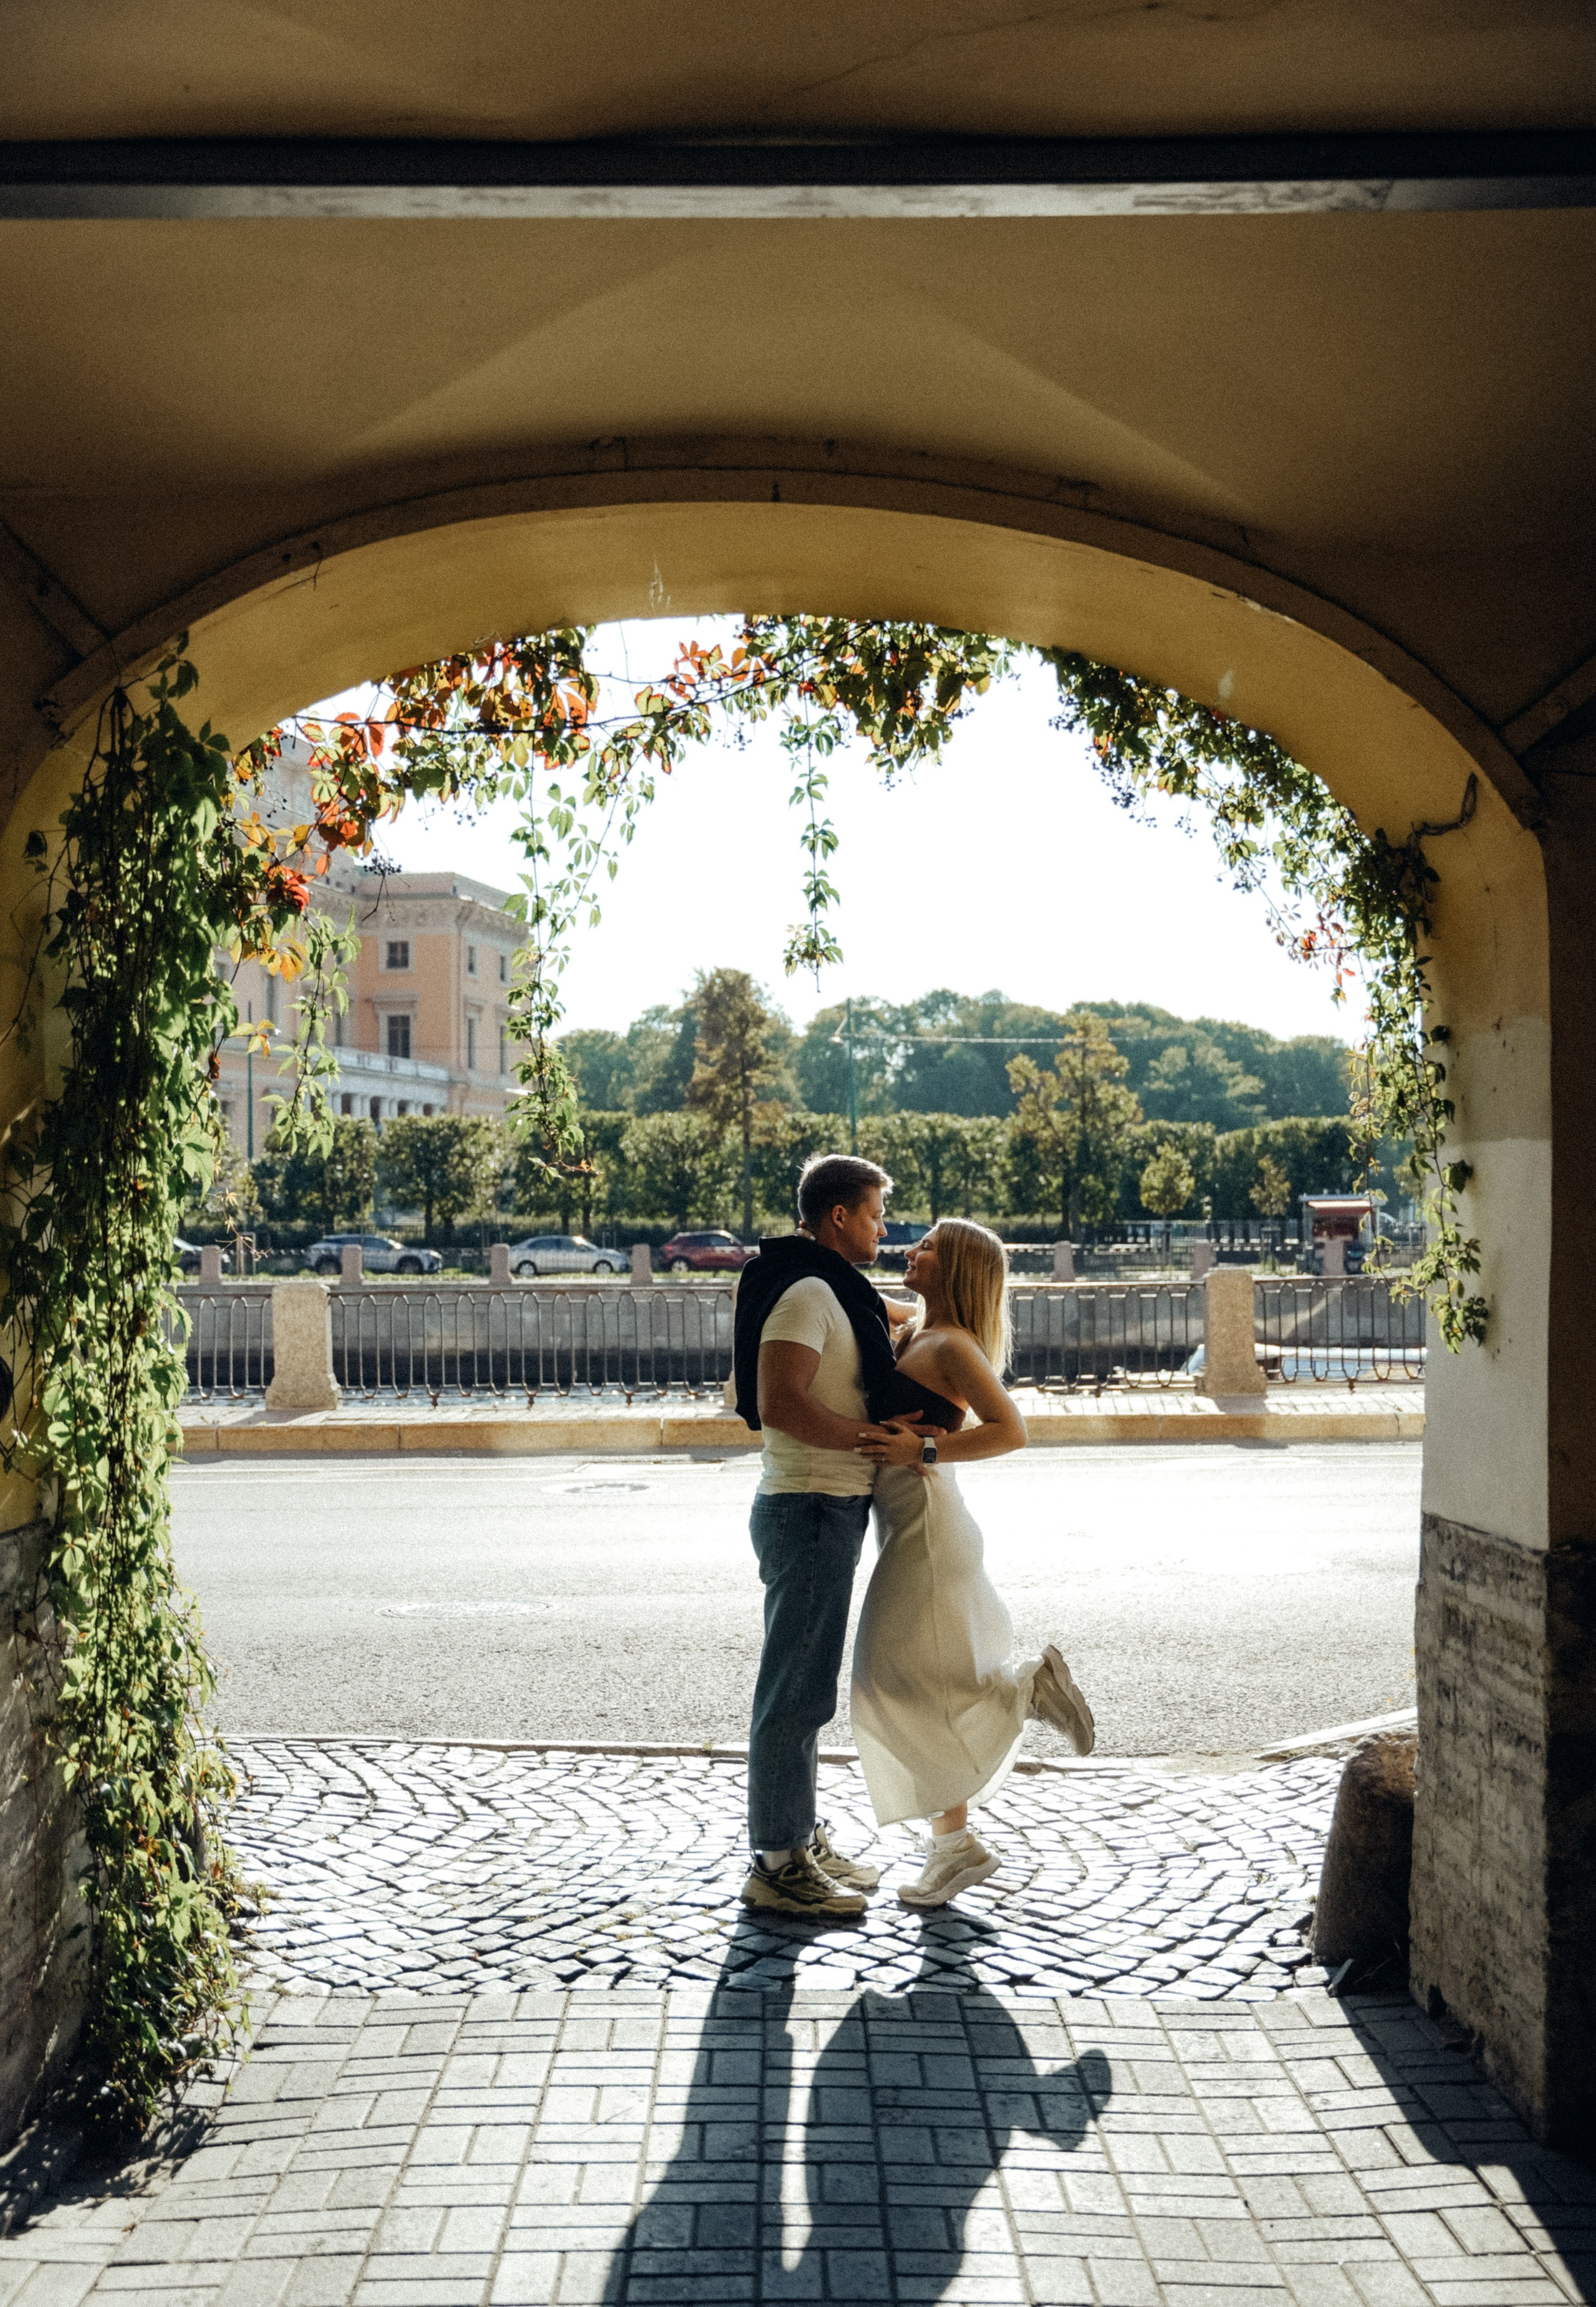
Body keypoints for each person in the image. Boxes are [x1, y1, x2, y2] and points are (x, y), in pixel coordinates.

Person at [850, 1218, 1096, 1908]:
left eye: (927, 1245)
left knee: (885, 1683)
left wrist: (922, 1451)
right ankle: (953, 1847)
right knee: (923, 1684)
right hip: (911, 1527)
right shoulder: (917, 1329)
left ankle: (1024, 1693)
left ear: (955, 1265)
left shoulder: (952, 1345)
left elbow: (1010, 1430)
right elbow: (857, 1300)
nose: (911, 1249)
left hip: (929, 1528)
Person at [731, 1152, 925, 1919]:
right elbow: (779, 1403)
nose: (884, 1226)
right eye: (876, 1213)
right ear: (839, 1216)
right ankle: (776, 1863)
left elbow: (901, 1318)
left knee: (807, 1691)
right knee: (794, 1694)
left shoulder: (834, 1289)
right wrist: (868, 1434)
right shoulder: (810, 1291)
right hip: (809, 1504)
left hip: (825, 1505)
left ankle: (797, 1836)